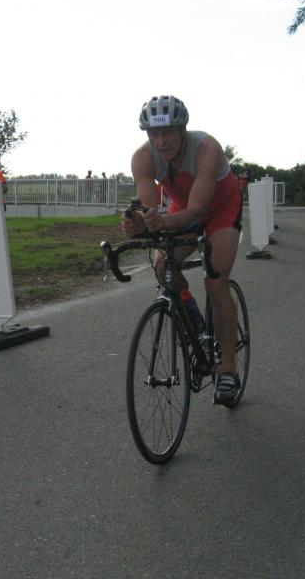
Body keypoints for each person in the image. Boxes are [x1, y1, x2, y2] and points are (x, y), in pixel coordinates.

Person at [121, 94, 243, 405]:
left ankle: (228, 368)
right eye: (155, 134)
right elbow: (149, 212)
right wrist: (138, 223)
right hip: (183, 207)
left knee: (216, 283)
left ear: (182, 130)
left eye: (168, 133)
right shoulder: (142, 158)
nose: (161, 141)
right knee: (162, 266)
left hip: (220, 209)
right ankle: (197, 324)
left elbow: (198, 211)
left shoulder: (206, 149)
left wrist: (160, 222)